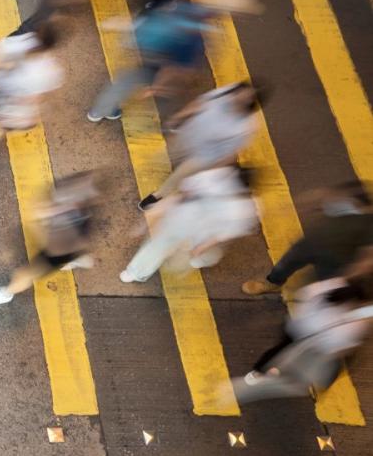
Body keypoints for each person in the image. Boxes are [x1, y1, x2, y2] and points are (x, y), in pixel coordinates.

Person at [86, 0, 258, 122]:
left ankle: (101, 109)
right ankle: (100, 110)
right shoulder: (195, 34)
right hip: (156, 53)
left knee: (131, 76)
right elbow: (175, 67)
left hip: (140, 35)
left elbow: (155, 11)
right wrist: (157, 87)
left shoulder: (184, 6)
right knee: (133, 78)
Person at [233, 273, 373, 406]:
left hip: (296, 328)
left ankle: (258, 373)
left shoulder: (334, 284)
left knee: (277, 351)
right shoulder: (356, 322)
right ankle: (300, 383)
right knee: (311, 370)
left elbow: (304, 293)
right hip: (314, 346)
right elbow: (338, 347)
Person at [0, 172, 99, 308]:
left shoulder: (74, 216)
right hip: (63, 242)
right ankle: (77, 257)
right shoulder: (72, 199)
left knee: (24, 274)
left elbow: (54, 247)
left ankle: (5, 294)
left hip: (59, 249)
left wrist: (39, 222)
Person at [120, 164, 258, 282]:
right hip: (204, 231)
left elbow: (184, 192)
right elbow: (220, 236)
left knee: (158, 245)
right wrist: (197, 250)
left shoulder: (216, 176)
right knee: (209, 254)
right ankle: (196, 260)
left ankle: (134, 272)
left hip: (182, 218)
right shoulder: (245, 208)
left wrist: (157, 213)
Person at [139, 82, 262, 210]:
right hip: (188, 134)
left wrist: (213, 171)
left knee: (179, 174)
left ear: (250, 104)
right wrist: (178, 118)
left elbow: (231, 153)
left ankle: (159, 195)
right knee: (173, 155)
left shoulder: (245, 127)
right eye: (240, 92)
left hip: (204, 156)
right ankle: (177, 174)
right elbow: (199, 104)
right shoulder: (225, 93)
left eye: (245, 98)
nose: (238, 97)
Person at [242, 182, 373, 297]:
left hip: (337, 258)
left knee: (326, 285)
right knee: (288, 262)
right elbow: (321, 197)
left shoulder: (368, 223)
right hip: (311, 243)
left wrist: (352, 274)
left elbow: (368, 257)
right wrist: (294, 207)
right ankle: (273, 282)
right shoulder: (343, 202)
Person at [0, 27, 64, 163]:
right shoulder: (49, 70)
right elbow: (36, 97)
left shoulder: (18, 42)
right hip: (13, 104)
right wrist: (33, 115)